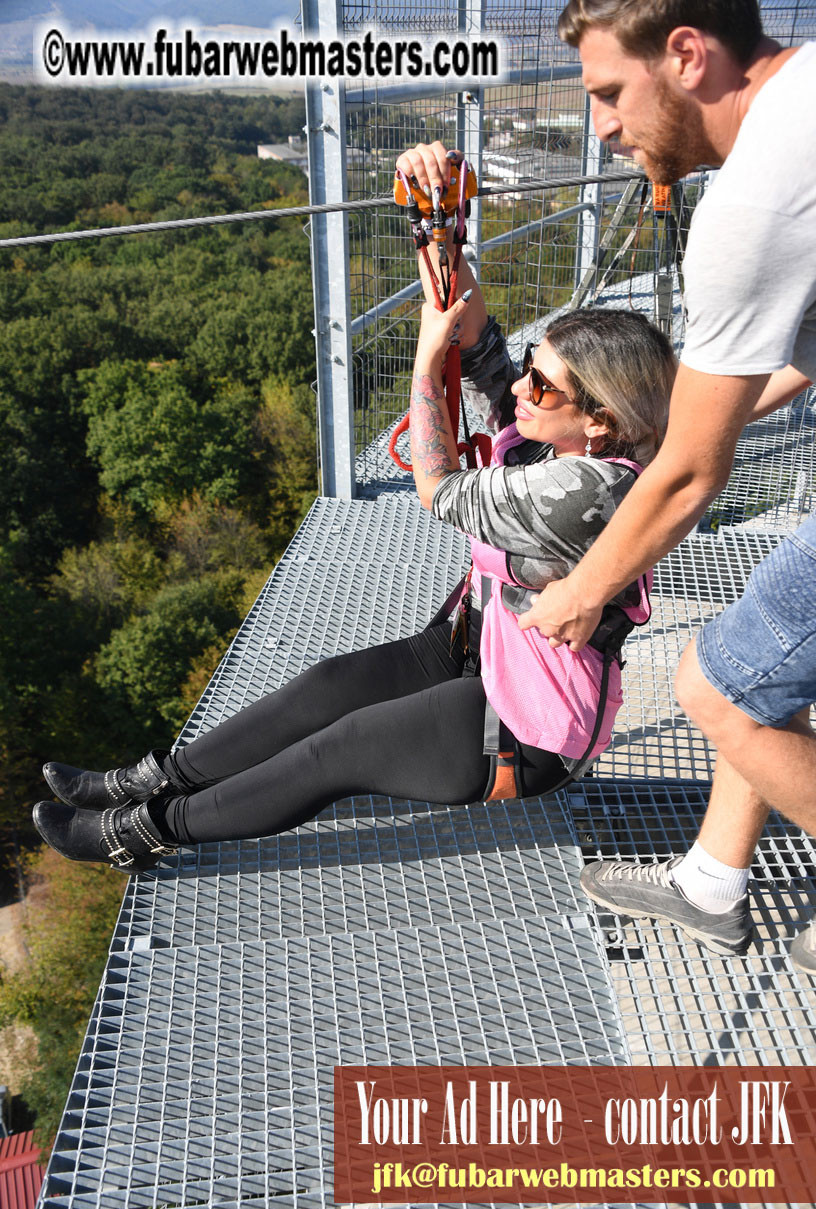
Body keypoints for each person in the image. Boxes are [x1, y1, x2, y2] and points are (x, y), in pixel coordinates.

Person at [32, 255, 675, 873]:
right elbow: (480, 343)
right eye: (531, 366)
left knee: (338, 750)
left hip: (530, 726)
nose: (519, 387)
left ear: (600, 419)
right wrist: (441, 240)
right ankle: (153, 780)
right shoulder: (551, 436)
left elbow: (439, 490)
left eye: (541, 384)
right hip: (480, 649)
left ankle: (140, 832)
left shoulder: (589, 492)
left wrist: (426, 363)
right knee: (326, 686)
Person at [502, 0, 815, 971]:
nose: (599, 125)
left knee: (715, 687)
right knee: (765, 668)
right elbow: (795, 359)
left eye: (608, 92)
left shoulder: (755, 198)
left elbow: (686, 477)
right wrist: (678, 424)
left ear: (686, 54)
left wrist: (582, 590)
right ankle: (713, 883)